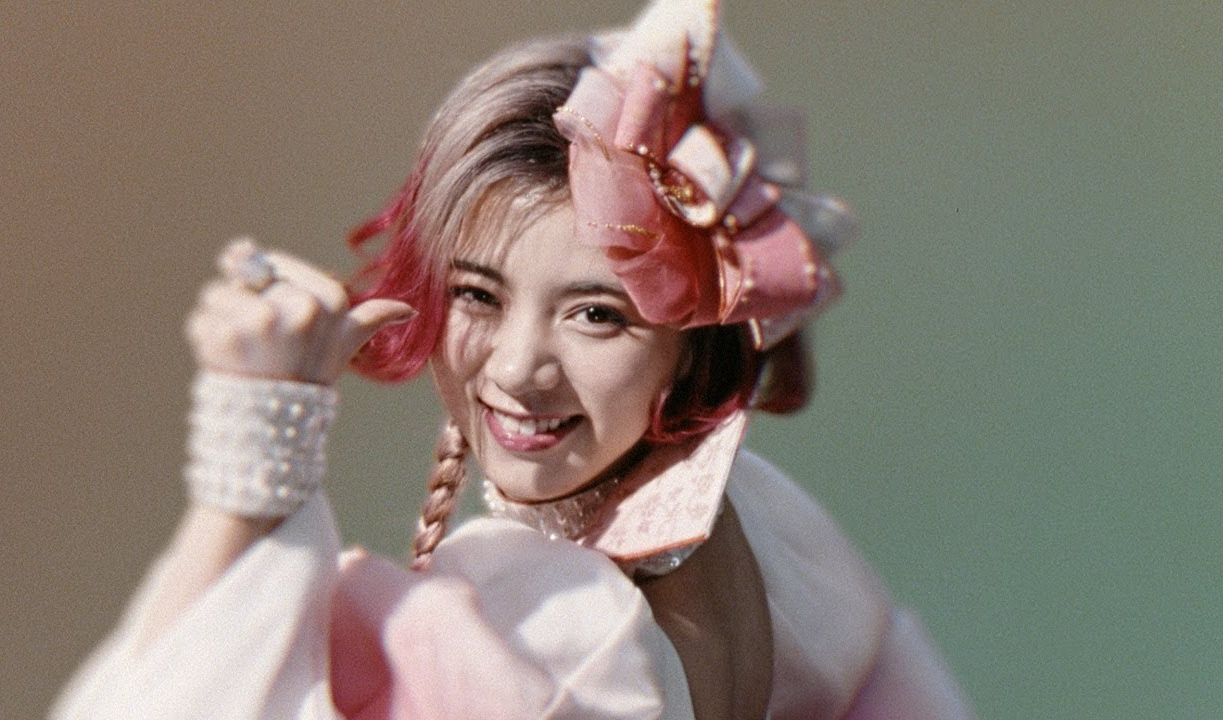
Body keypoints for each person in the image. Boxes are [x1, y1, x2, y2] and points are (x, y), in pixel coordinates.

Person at [53, 1, 975, 718]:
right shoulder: (772, 530)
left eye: (597, 315)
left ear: (695, 340)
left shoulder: (548, 628)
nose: (517, 370)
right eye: (477, 295)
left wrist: (254, 445)